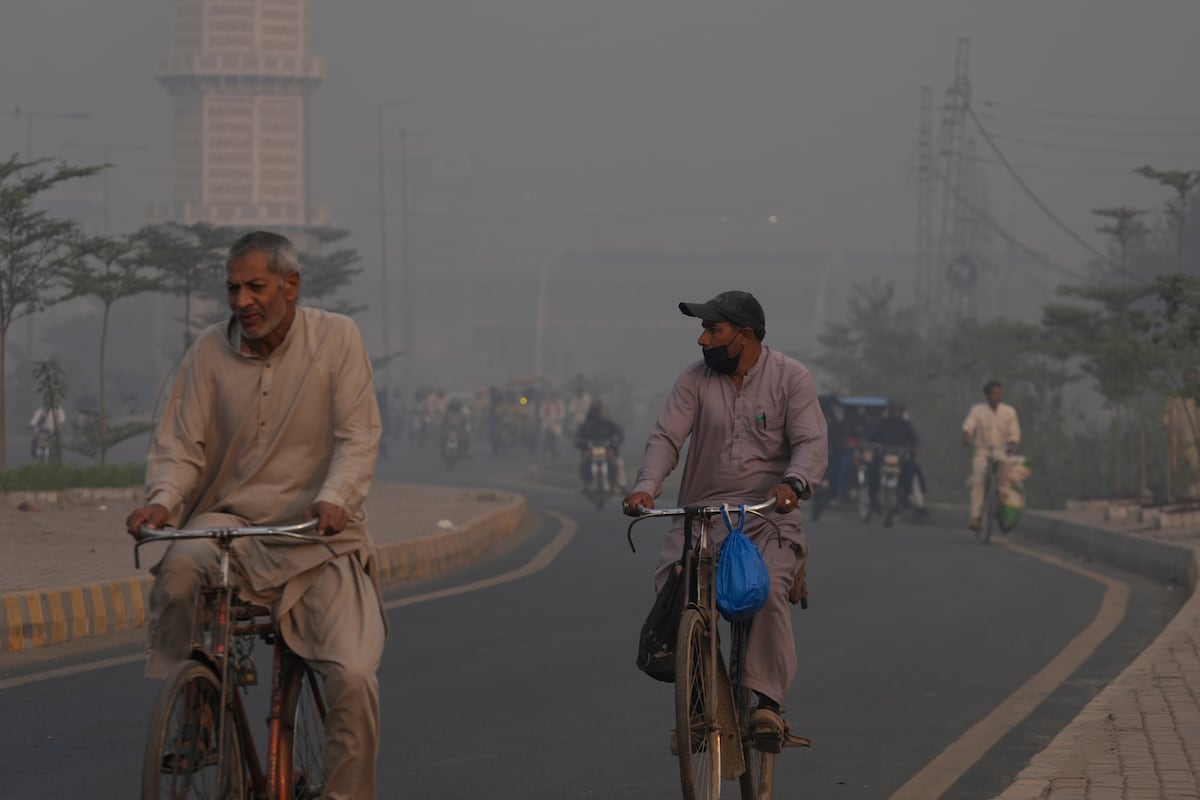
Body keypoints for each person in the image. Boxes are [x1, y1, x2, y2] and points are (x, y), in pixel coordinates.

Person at [124, 230, 385, 799]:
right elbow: (180, 448)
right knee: (179, 568)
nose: (241, 301)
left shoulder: (337, 338)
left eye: (255, 286)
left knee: (354, 678)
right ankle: (198, 701)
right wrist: (163, 500)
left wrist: (337, 496)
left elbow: (357, 436)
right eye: (233, 288)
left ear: (290, 286)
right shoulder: (207, 353)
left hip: (318, 538)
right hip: (231, 529)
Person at [622, 290, 827, 745]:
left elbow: (812, 443)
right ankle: (701, 697)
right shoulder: (693, 381)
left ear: (745, 336)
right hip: (702, 517)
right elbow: (665, 439)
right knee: (676, 592)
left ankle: (768, 706)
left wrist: (793, 484)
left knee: (768, 591)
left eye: (712, 330)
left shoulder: (791, 378)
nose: (701, 340)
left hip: (766, 518)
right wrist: (645, 487)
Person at [962, 380, 1021, 531]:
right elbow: (969, 425)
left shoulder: (1009, 411)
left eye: (999, 394)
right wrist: (967, 437)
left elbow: (1014, 433)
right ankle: (975, 517)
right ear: (987, 395)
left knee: (1005, 484)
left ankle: (1004, 514)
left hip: (1002, 451)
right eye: (994, 394)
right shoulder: (978, 410)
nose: (997, 397)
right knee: (978, 481)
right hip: (982, 451)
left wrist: (1011, 444)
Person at [868, 402, 926, 515]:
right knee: (872, 468)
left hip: (900, 457)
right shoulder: (882, 424)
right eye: (893, 411)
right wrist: (872, 445)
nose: (896, 413)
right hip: (882, 456)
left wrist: (914, 448)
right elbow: (872, 438)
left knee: (911, 468)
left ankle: (906, 493)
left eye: (898, 411)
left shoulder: (906, 426)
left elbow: (914, 439)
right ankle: (873, 495)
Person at [575, 401, 625, 492]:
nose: (597, 413)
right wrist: (582, 443)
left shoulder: (608, 423)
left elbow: (619, 433)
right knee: (583, 464)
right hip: (590, 450)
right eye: (594, 410)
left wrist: (615, 441)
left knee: (615, 464)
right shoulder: (586, 425)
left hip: (606, 449)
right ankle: (586, 484)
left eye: (598, 410)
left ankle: (615, 483)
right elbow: (578, 436)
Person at [1166, 367, 1200, 500]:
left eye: (1194, 378)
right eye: (1189, 378)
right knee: (1186, 474)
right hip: (1183, 443)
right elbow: (1169, 421)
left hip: (1191, 442)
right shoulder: (1175, 398)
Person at [539, 389, 566, 460]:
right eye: (551, 396)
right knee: (544, 435)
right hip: (547, 422)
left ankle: (557, 450)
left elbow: (562, 413)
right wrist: (545, 418)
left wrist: (559, 418)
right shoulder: (545, 403)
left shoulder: (560, 403)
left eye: (554, 396)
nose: (553, 398)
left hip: (556, 423)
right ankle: (544, 450)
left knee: (558, 436)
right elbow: (541, 413)